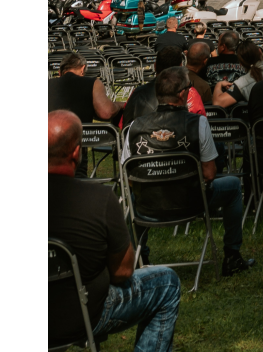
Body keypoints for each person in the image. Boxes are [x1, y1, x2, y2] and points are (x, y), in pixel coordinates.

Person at [51, 111, 182, 351]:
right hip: (85, 315)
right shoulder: (99, 199)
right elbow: (123, 272)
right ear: (76, 153)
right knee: (167, 284)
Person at [120, 67, 251, 278]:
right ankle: (232, 255)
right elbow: (209, 174)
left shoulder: (134, 126)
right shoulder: (198, 123)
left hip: (147, 206)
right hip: (191, 203)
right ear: (183, 94)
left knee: (132, 202)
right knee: (234, 186)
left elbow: (128, 175)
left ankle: (140, 258)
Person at [50, 51, 123, 125]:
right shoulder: (94, 83)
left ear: (59, 73)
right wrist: (119, 105)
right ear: (83, 69)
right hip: (81, 134)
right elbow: (106, 112)